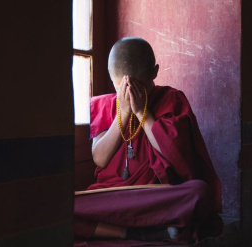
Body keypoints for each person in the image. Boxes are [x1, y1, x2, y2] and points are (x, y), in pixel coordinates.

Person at [74, 37, 222, 246]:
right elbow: (100, 158)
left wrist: (142, 111)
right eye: (122, 87)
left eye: (139, 87)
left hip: (156, 197)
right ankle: (131, 234)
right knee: (62, 209)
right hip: (114, 198)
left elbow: (176, 157)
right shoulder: (105, 105)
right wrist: (123, 113)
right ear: (112, 79)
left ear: (154, 72)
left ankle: (121, 231)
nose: (129, 93)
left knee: (200, 192)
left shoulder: (172, 99)